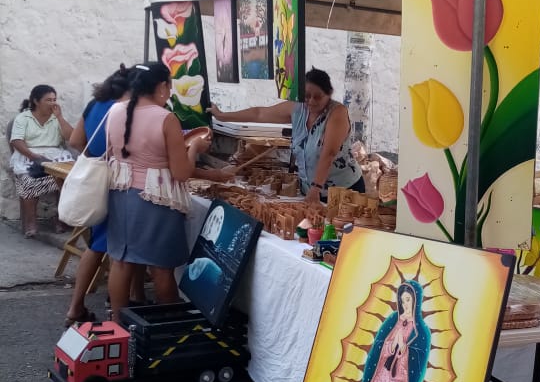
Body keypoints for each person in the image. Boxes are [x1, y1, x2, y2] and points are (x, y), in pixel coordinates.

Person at [104, 62, 212, 315]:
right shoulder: (165, 118)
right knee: (162, 268)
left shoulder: (115, 110)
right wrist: (195, 148)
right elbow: (181, 173)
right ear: (162, 86)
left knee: (120, 263)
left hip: (121, 194)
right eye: (170, 85)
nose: (170, 91)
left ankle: (117, 324)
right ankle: (167, 328)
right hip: (155, 199)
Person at [64, 65, 148, 325]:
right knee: (125, 247)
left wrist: (96, 160)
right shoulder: (127, 110)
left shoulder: (94, 104)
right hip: (121, 183)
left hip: (97, 184)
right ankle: (123, 305)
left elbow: (76, 141)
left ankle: (76, 307)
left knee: (97, 245)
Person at [208, 67, 364, 202]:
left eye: (318, 97)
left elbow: (328, 153)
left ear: (329, 94)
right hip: (311, 191)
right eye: (306, 96)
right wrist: (222, 116)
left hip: (344, 191)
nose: (311, 101)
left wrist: (316, 187)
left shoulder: (337, 113)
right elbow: (260, 113)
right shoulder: (297, 108)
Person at [9, 85, 74, 237]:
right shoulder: (23, 118)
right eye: (48, 100)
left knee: (68, 179)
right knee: (28, 180)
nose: (53, 103)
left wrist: (59, 117)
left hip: (55, 154)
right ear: (36, 101)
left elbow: (71, 137)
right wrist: (34, 157)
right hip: (29, 154)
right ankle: (31, 222)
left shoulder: (56, 118)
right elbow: (16, 141)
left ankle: (59, 217)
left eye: (54, 99)